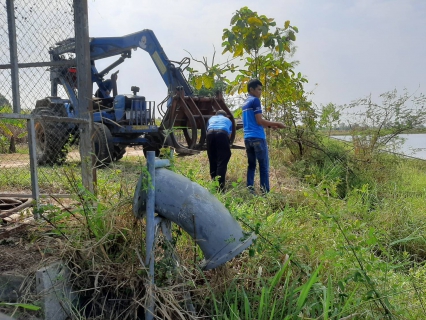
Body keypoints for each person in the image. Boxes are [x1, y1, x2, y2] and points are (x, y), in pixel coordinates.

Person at [241, 78, 286, 194]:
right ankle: (265, 194)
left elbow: (254, 122)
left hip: (248, 138)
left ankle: (250, 190)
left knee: (251, 165)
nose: (260, 92)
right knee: (264, 167)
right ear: (251, 89)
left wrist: (271, 126)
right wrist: (277, 124)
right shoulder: (255, 101)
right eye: (259, 89)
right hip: (258, 138)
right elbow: (259, 121)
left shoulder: (245, 103)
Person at [206, 110, 233, 191]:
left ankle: (214, 182)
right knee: (222, 160)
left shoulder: (211, 119)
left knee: (212, 158)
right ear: (225, 116)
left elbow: (207, 130)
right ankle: (220, 188)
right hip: (222, 134)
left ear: (216, 115)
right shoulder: (228, 120)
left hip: (210, 134)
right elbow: (229, 135)